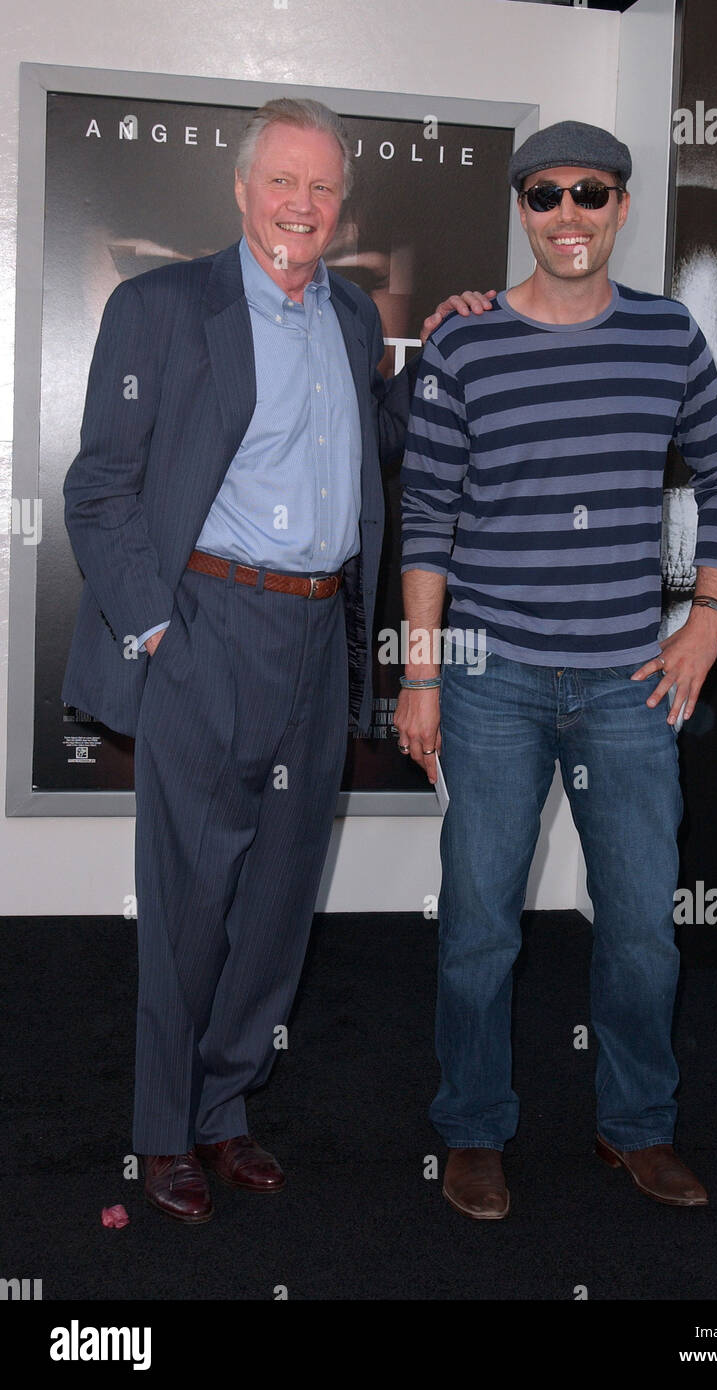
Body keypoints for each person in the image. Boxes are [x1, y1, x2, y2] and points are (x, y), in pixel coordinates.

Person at [62, 97, 492, 1224]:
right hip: (207, 627)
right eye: (282, 183)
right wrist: (159, 630)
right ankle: (162, 1134)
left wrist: (431, 358)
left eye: (323, 188)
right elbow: (97, 488)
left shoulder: (350, 317)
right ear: (243, 192)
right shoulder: (162, 306)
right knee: (190, 901)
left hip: (317, 635)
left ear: (341, 206)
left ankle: (225, 1110)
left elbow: (370, 443)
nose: (302, 204)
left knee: (278, 904)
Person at [394, 120, 717, 1218]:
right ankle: (472, 1127)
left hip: (628, 684)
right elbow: (427, 519)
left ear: (622, 207)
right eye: (545, 195)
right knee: (480, 923)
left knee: (642, 924)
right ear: (522, 208)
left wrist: (702, 620)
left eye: (590, 193)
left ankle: (636, 1127)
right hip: (493, 676)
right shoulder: (463, 345)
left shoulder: (669, 335)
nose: (568, 214)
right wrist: (421, 672)